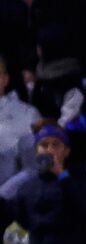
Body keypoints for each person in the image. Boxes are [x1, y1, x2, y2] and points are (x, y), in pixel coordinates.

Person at [0, 125, 86, 244]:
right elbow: (14, 215)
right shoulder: (28, 186)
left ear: (67, 151)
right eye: (44, 145)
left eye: (55, 145)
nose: (50, 150)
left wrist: (62, 176)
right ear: (37, 151)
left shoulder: (84, 181)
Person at [0, 55, 39, 187]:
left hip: (12, 202)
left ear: (5, 79)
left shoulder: (27, 115)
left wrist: (3, 195)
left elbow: (33, 168)